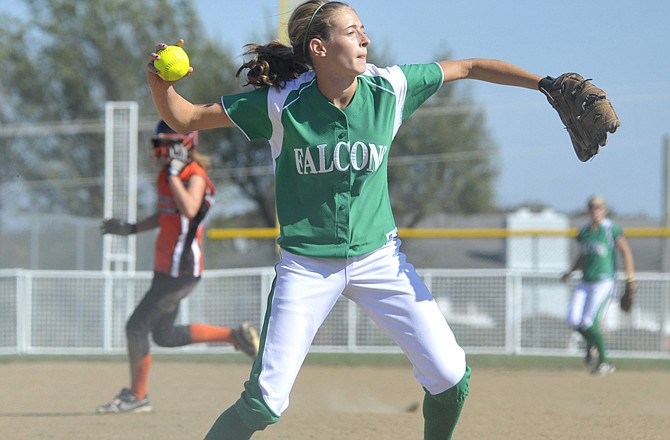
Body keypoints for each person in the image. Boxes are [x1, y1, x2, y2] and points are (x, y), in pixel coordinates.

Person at [146, 1, 554, 438]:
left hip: (379, 258)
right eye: (352, 31)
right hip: (307, 266)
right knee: (263, 402)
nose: (366, 39)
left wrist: (546, 84)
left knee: (451, 377)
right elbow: (184, 116)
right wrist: (159, 81)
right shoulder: (282, 104)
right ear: (319, 48)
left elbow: (470, 67)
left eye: (363, 29)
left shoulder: (390, 88)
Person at [96, 120, 260, 414]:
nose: (159, 150)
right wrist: (130, 229)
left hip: (182, 271)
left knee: (136, 326)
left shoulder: (193, 174)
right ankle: (234, 336)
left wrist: (173, 175)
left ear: (183, 146)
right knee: (164, 335)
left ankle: (138, 395)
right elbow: (165, 214)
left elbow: (190, 208)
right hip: (165, 268)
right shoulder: (167, 176)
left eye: (165, 144)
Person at [561, 195, 636, 376]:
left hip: (604, 282)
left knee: (589, 322)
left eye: (599, 207)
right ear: (588, 210)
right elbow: (583, 255)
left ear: (605, 209)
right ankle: (592, 345)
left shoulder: (611, 229)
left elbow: (626, 253)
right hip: (585, 281)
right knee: (572, 319)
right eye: (592, 207)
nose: (595, 210)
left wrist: (630, 279)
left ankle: (605, 362)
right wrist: (570, 272)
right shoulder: (585, 231)